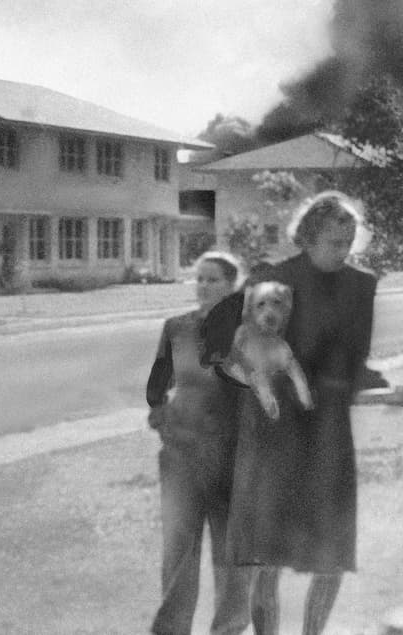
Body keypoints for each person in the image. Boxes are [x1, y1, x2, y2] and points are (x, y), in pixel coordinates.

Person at [202, 191, 378, 635]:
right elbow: (232, 349)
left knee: (331, 549)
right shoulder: (272, 280)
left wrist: (370, 384)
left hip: (328, 433)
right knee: (269, 551)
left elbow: (355, 357)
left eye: (350, 241)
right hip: (274, 432)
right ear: (309, 237)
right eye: (335, 241)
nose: (344, 251)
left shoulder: (362, 285)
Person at [144, 251, 254, 635]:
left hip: (233, 459)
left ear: (233, 285)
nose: (203, 286)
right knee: (178, 552)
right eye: (200, 278)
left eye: (213, 280)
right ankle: (171, 629)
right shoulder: (176, 328)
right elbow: (158, 386)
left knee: (233, 557)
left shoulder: (251, 332)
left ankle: (228, 629)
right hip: (182, 459)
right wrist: (163, 422)